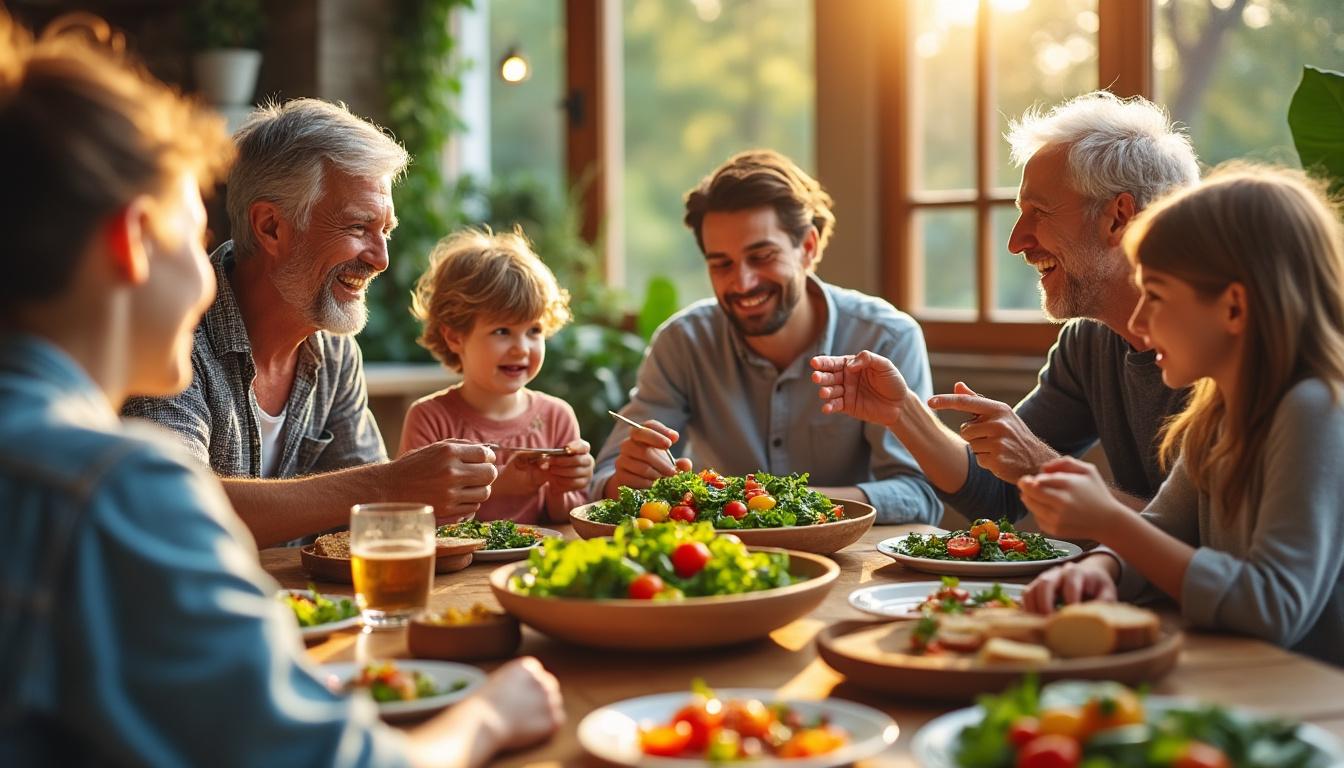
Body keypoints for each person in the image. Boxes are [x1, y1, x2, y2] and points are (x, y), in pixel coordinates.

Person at [0, 10, 563, 766]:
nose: (207, 271)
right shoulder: (116, 488)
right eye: (188, 233)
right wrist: (491, 717)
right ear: (133, 243)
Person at [123, 97, 498, 547]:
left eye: (387, 231)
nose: (381, 259)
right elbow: (171, 510)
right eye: (360, 227)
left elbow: (372, 526)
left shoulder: (334, 352)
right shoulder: (170, 336)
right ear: (271, 228)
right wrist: (389, 484)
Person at [811, 92, 1200, 523]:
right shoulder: (1088, 340)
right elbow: (997, 493)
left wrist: (1040, 463)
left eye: (1039, 212)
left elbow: (1215, 548)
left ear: (1118, 217)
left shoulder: (1223, 348)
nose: (1016, 241)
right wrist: (903, 412)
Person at [1017, 165, 1344, 667]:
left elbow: (1274, 608)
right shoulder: (1215, 407)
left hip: (1312, 705)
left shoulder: (1313, 409)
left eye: (1158, 296)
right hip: (1240, 677)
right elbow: (1168, 529)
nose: (1140, 322)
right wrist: (1103, 567)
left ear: (1234, 308)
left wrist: (1107, 522)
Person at [590, 149, 941, 524]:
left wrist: (773, 501)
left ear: (808, 247)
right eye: (721, 263)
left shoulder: (886, 337)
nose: (742, 282)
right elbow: (605, 480)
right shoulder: (682, 343)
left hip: (852, 561)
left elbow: (918, 493)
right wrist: (626, 479)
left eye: (762, 256)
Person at [399, 228, 594, 524]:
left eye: (534, 331)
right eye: (502, 331)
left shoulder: (557, 416)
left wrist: (563, 485)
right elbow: (417, 517)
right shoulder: (429, 419)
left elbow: (566, 517)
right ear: (454, 337)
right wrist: (500, 486)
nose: (521, 349)